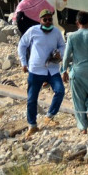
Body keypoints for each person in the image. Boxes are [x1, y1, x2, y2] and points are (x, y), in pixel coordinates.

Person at [18, 9, 66, 139]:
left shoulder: (56, 32)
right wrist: (24, 62)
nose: (48, 22)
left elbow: (63, 45)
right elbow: (22, 45)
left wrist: (59, 53)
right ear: (40, 20)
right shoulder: (33, 31)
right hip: (36, 70)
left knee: (60, 91)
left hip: (52, 69)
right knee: (32, 99)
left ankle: (49, 116)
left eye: (50, 19)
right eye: (45, 20)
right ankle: (32, 125)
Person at [61, 12, 88, 134]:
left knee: (78, 100)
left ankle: (83, 128)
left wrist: (64, 70)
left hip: (76, 71)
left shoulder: (71, 36)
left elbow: (66, 56)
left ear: (77, 23)